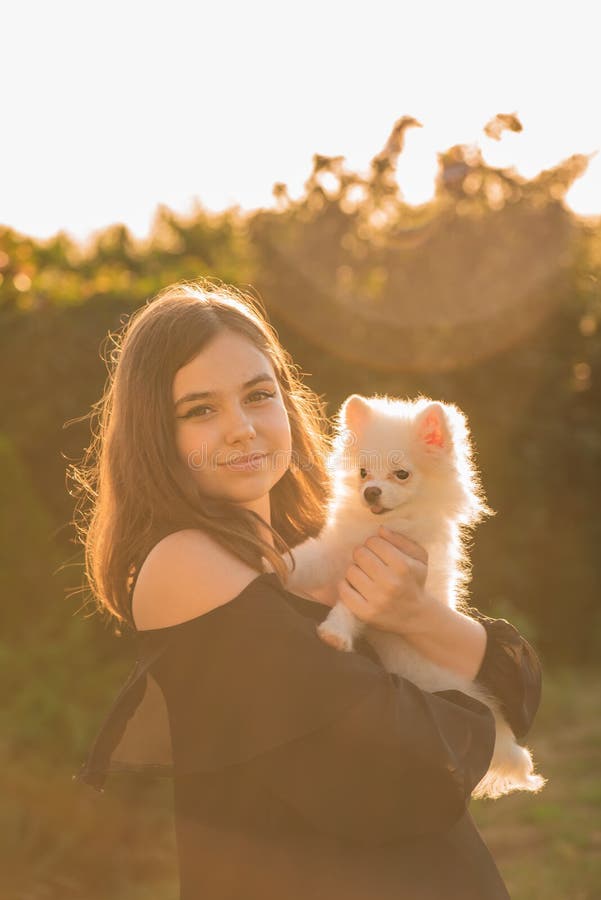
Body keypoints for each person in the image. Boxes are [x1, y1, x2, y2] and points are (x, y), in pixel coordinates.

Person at [71, 279, 542, 900]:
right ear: (158, 435)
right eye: (200, 409)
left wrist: (415, 613)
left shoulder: (309, 540)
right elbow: (402, 757)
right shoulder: (184, 561)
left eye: (258, 396)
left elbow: (515, 689)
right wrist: (464, 700)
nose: (241, 428)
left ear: (287, 407)